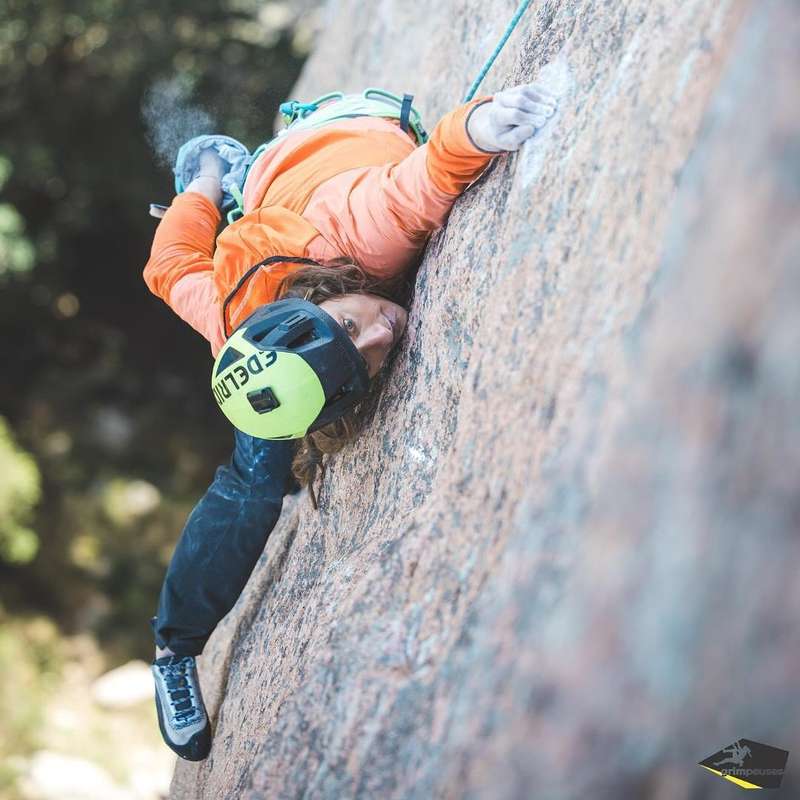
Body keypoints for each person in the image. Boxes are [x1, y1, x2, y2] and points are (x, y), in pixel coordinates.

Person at [143, 81, 559, 761]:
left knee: (269, 468)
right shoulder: (227, 327)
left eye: (349, 325)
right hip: (261, 210)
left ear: (331, 297)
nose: (383, 332)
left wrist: (483, 126)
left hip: (330, 143)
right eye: (357, 368)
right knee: (253, 485)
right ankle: (174, 648)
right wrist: (205, 187)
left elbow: (419, 182)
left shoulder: (357, 235)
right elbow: (168, 265)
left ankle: (242, 172)